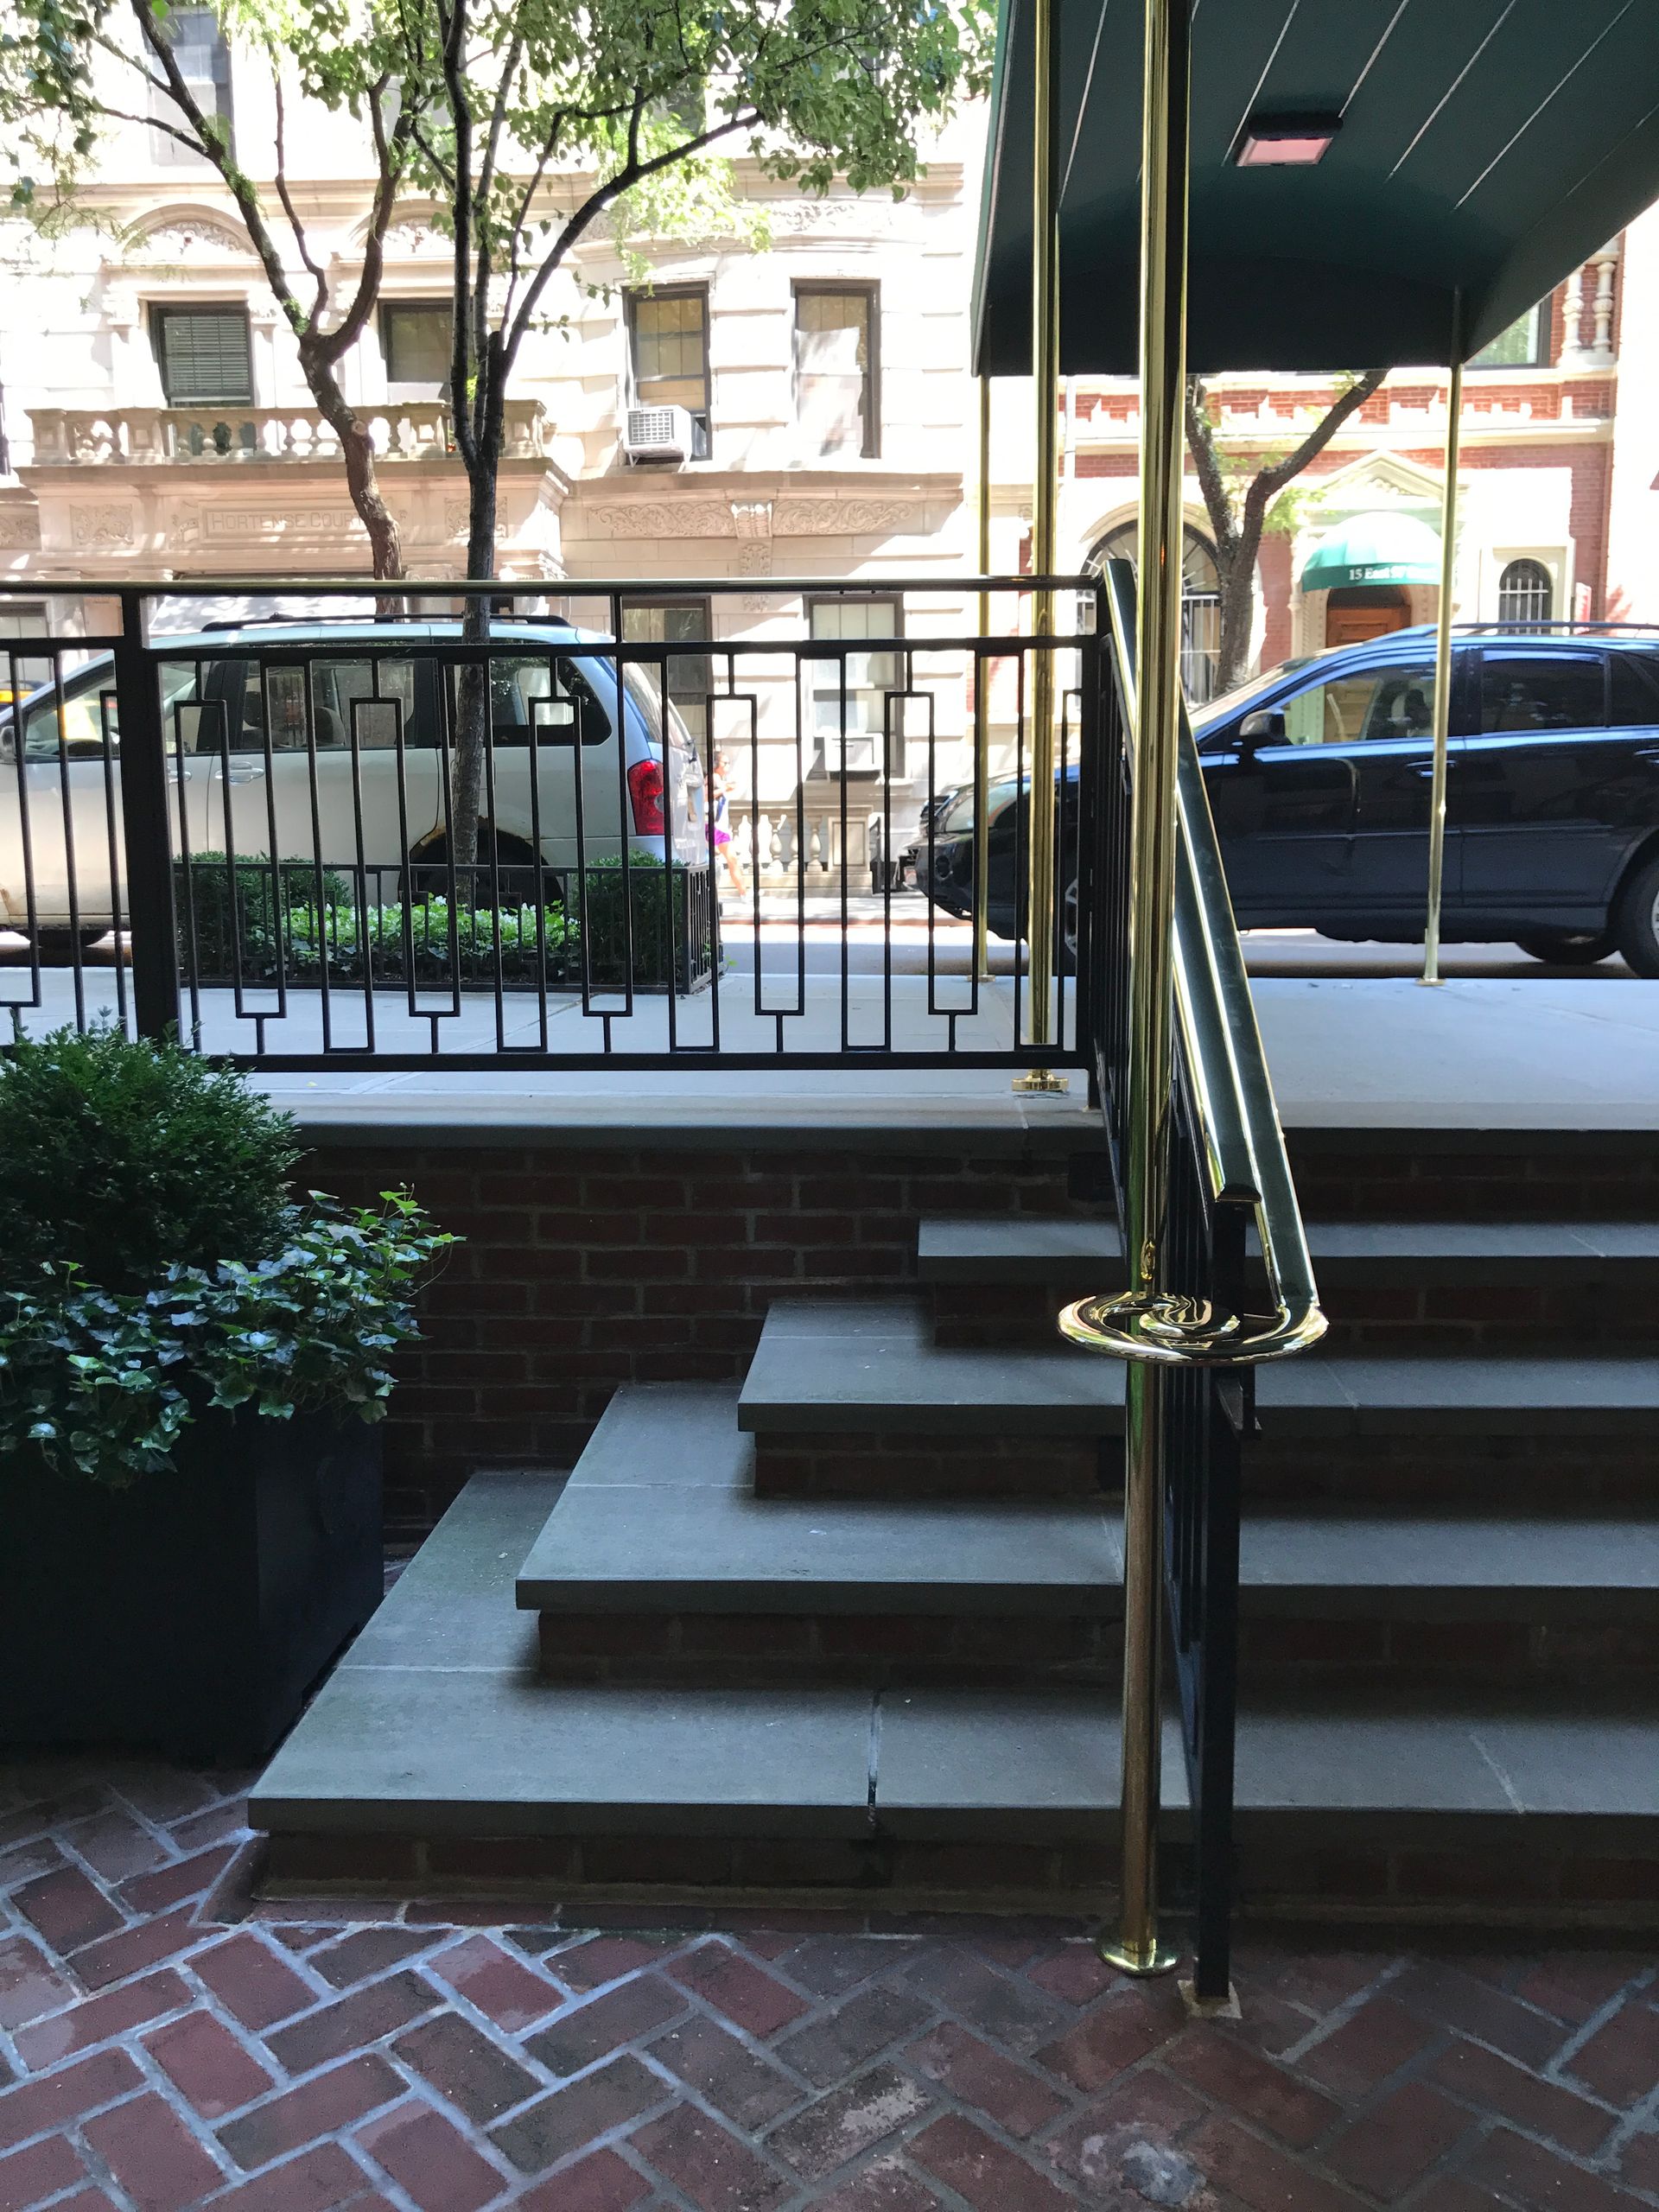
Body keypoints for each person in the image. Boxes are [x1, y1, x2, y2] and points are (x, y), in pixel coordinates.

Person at [709, 748, 747, 898]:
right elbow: (705, 796)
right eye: (725, 763)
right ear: (716, 764)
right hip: (713, 827)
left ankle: (743, 893)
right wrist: (725, 788)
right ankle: (714, 893)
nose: (727, 766)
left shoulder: (718, 779)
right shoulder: (712, 778)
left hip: (720, 828)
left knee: (731, 859)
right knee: (727, 859)